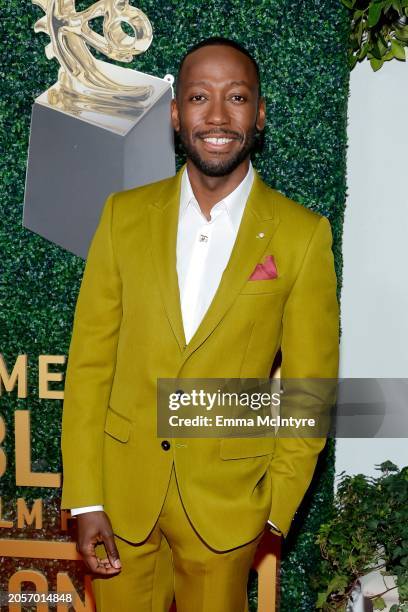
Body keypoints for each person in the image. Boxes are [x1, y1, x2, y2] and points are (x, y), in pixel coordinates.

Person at [60, 37, 339, 612]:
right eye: (197, 97)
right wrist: (85, 498)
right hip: (120, 500)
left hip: (227, 511)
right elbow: (89, 368)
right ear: (175, 115)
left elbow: (310, 394)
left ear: (259, 115)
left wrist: (274, 509)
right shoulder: (123, 216)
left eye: (236, 97)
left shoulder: (301, 236)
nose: (216, 116)